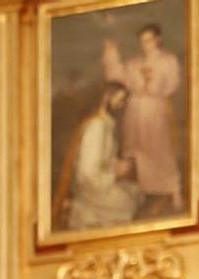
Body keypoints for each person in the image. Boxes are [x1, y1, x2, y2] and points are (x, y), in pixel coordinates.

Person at [103, 21, 183, 216]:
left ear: (158, 40)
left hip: (155, 110)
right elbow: (116, 74)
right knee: (135, 150)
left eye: (149, 40)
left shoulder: (168, 60)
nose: (145, 44)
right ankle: (141, 192)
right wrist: (111, 53)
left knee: (159, 149)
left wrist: (155, 89)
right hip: (134, 110)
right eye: (142, 41)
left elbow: (172, 84)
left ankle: (174, 191)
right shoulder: (134, 63)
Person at [56, 81, 139, 234]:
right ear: (106, 97)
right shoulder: (96, 126)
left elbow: (105, 159)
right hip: (90, 188)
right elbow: (87, 173)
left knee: (135, 192)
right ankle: (80, 209)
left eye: (124, 101)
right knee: (128, 203)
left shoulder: (107, 124)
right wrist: (115, 174)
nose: (122, 105)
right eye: (120, 100)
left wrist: (119, 164)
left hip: (100, 182)